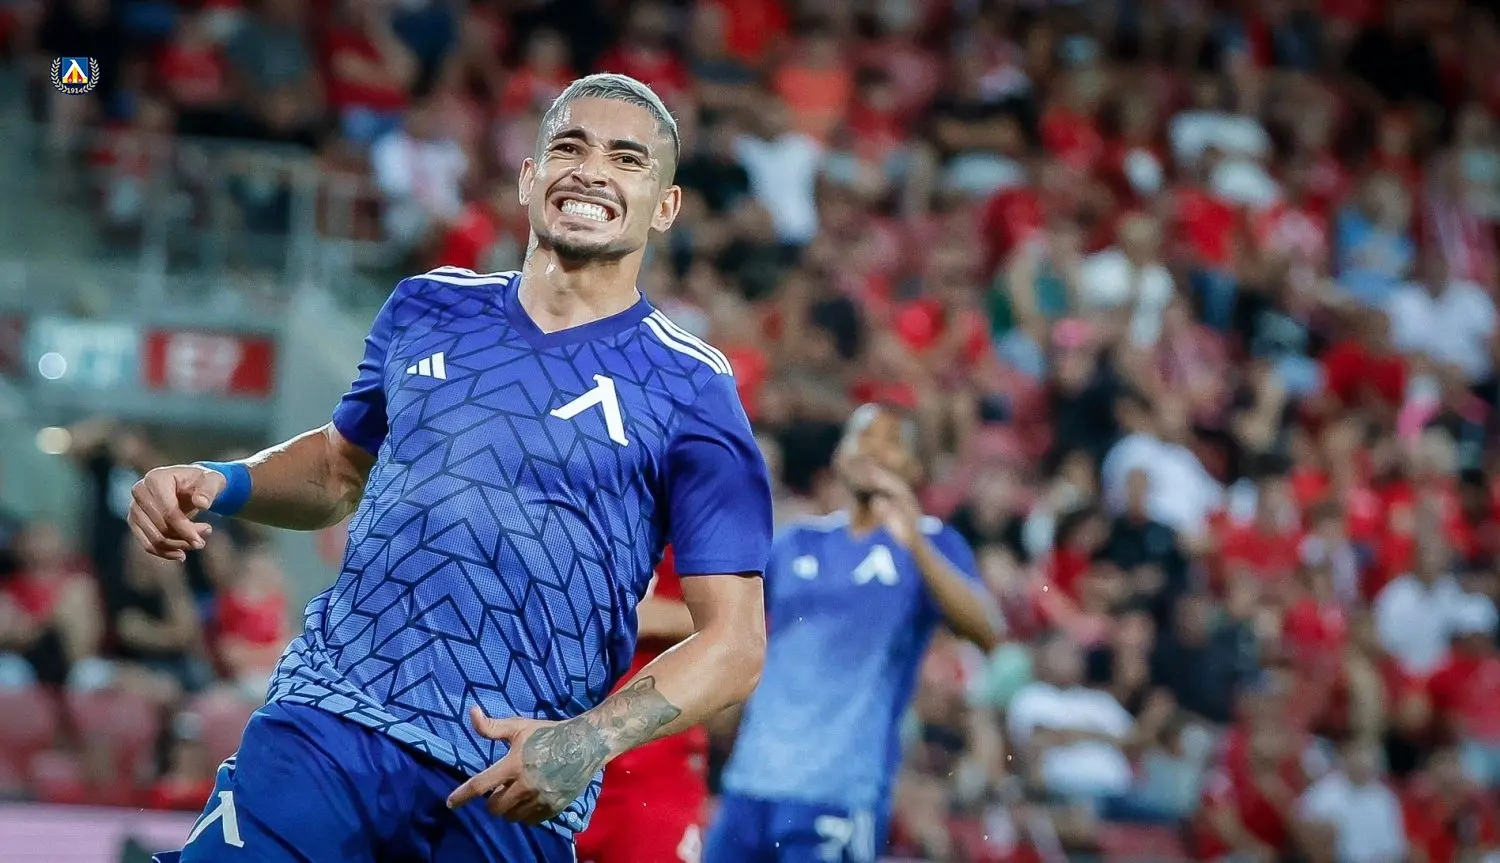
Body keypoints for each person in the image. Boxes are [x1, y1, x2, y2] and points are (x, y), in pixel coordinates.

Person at [131, 73, 774, 863]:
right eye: (568, 148)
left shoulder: (691, 386)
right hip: (329, 721)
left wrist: (587, 740)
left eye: (625, 158)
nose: (590, 171)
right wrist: (223, 480)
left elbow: (736, 641)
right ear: (529, 177)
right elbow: (338, 467)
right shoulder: (427, 306)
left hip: (507, 776)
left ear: (665, 206)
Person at [703, 403, 1002, 862]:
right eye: (862, 436)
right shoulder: (794, 541)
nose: (872, 449)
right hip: (750, 784)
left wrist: (914, 541)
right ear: (840, 457)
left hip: (840, 791)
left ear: (914, 467)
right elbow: (729, 624)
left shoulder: (934, 543)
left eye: (890, 441)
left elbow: (987, 633)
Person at [575, 547, 707, 863]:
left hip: (651, 763)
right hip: (556, 752)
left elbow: (735, 623)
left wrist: (619, 615)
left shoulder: (691, 520)